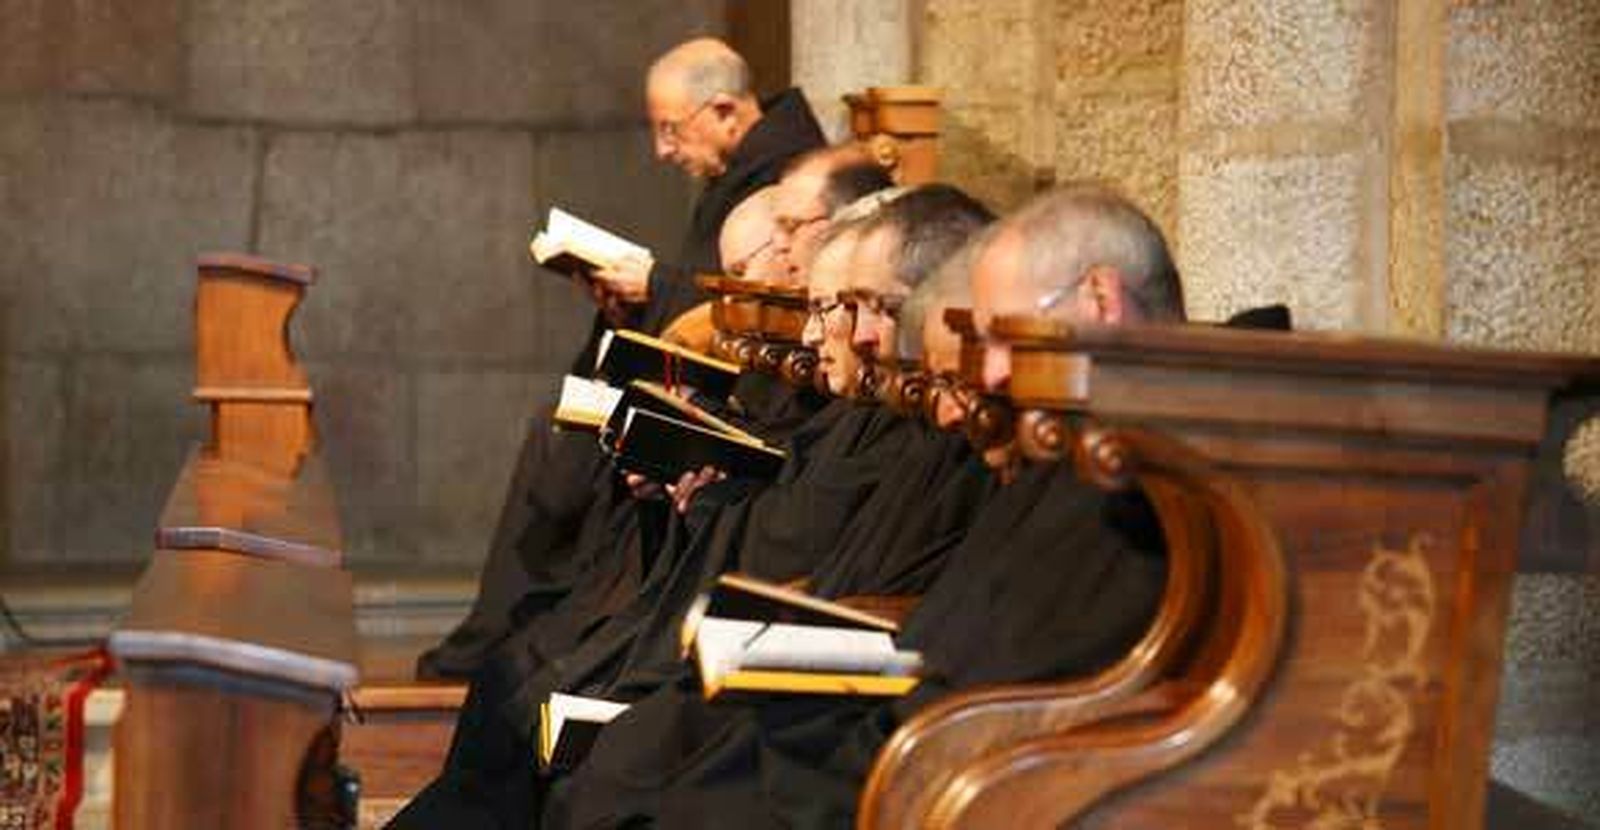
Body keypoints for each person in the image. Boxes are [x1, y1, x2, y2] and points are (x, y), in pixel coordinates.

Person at [544, 185, 1179, 829]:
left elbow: (1037, 684)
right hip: (907, 741)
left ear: (1100, 299)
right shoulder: (1072, 448)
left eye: (997, 338)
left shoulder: (1144, 469)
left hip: (957, 777)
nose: (981, 386)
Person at [417, 38, 825, 680]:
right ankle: (519, 628)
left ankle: (534, 629)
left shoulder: (789, 169)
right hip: (710, 367)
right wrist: (633, 295)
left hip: (751, 390)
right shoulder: (741, 165)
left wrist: (657, 285)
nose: (663, 150)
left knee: (575, 434)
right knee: (561, 425)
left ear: (723, 110)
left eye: (670, 130)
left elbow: (760, 305)